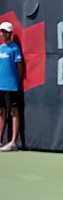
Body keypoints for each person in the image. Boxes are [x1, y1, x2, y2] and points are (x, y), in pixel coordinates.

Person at [0, 21, 23, 152]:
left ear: (10, 33)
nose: (3, 34)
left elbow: (20, 67)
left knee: (14, 112)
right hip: (0, 86)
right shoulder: (0, 48)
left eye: (5, 31)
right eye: (1, 31)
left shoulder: (14, 48)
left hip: (11, 86)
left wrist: (17, 82)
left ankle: (13, 142)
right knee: (2, 113)